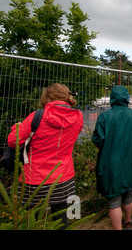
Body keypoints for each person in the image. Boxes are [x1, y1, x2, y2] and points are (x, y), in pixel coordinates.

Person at [7, 83, 83, 229]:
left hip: (34, 177)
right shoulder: (78, 116)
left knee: (31, 219)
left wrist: (16, 127)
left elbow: (13, 141)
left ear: (46, 97)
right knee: (61, 215)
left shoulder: (36, 116)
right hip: (63, 175)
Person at [92, 86, 132, 230]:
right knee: (128, 190)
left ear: (112, 98)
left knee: (114, 196)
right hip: (131, 160)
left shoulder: (105, 116)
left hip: (110, 161)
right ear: (127, 98)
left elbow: (97, 140)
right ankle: (128, 221)